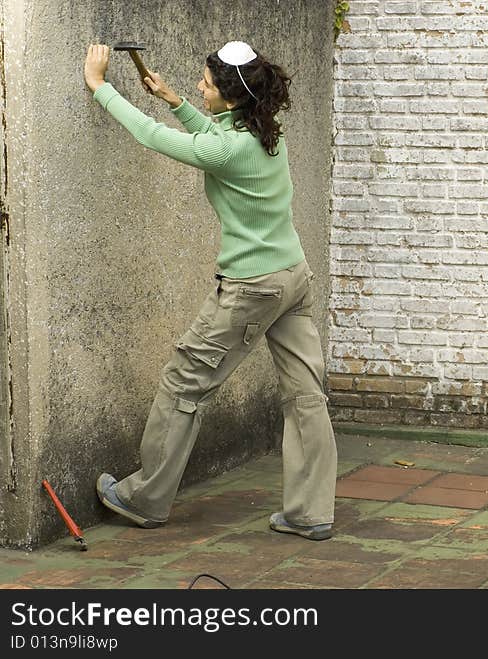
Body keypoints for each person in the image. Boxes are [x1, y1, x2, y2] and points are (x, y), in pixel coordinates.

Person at [83, 42, 337, 540]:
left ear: (231, 94)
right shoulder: (264, 133)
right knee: (306, 395)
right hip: (292, 278)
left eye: (205, 84)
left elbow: (153, 138)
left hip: (251, 287)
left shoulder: (231, 146)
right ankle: (311, 512)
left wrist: (100, 87)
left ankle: (145, 497)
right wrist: (177, 101)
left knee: (184, 383)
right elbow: (218, 145)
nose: (200, 87)